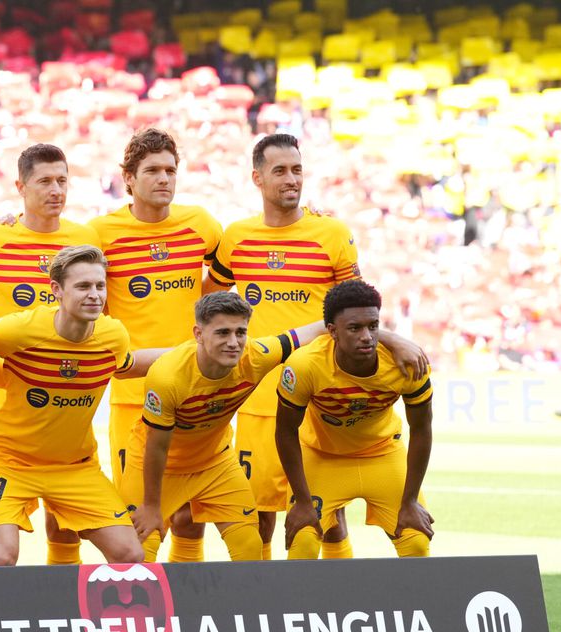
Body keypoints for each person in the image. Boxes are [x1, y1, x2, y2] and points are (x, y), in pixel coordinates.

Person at [125, 291, 421, 562]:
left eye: (241, 332)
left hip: (214, 463)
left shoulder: (256, 355)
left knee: (250, 547)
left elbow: (324, 327)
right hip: (156, 467)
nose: (233, 342)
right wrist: (151, 506)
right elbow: (157, 445)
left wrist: (394, 339)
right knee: (137, 551)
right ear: (198, 334)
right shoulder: (167, 377)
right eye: (223, 333)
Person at [209, 132, 363, 560]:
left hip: (318, 393)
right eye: (280, 171)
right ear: (257, 178)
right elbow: (210, 301)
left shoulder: (331, 233)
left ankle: (329, 603)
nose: (291, 179)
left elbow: (357, 309)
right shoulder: (236, 238)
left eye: (297, 169)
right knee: (259, 512)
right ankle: (262, 606)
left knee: (327, 515)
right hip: (257, 394)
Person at [0, 245, 165, 567]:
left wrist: (200, 352)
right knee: (0, 558)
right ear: (57, 290)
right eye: (83, 286)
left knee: (130, 555)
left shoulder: (113, 335)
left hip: (75, 467)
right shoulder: (17, 329)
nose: (94, 295)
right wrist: (8, 378)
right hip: (8, 461)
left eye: (100, 286)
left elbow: (128, 365)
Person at [0, 143, 102, 565]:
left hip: (66, 402)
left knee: (66, 528)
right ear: (20, 186)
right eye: (44, 181)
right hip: (5, 400)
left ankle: (62, 617)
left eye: (62, 180)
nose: (55, 189)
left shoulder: (85, 238)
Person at [88, 128, 224, 562]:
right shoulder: (100, 234)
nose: (164, 178)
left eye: (170, 170)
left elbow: (220, 280)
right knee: (140, 521)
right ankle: (137, 621)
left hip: (198, 390)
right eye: (152, 171)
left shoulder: (200, 225)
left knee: (190, 515)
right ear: (128, 178)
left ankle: (190, 606)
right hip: (133, 394)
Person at [276, 280, 435, 559]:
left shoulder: (407, 364)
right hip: (323, 457)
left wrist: (410, 500)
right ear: (332, 332)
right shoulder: (305, 366)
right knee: (303, 544)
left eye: (373, 326)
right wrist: (302, 501)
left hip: (382, 453)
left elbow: (421, 429)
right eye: (355, 328)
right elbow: (285, 431)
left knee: (416, 543)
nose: (367, 336)